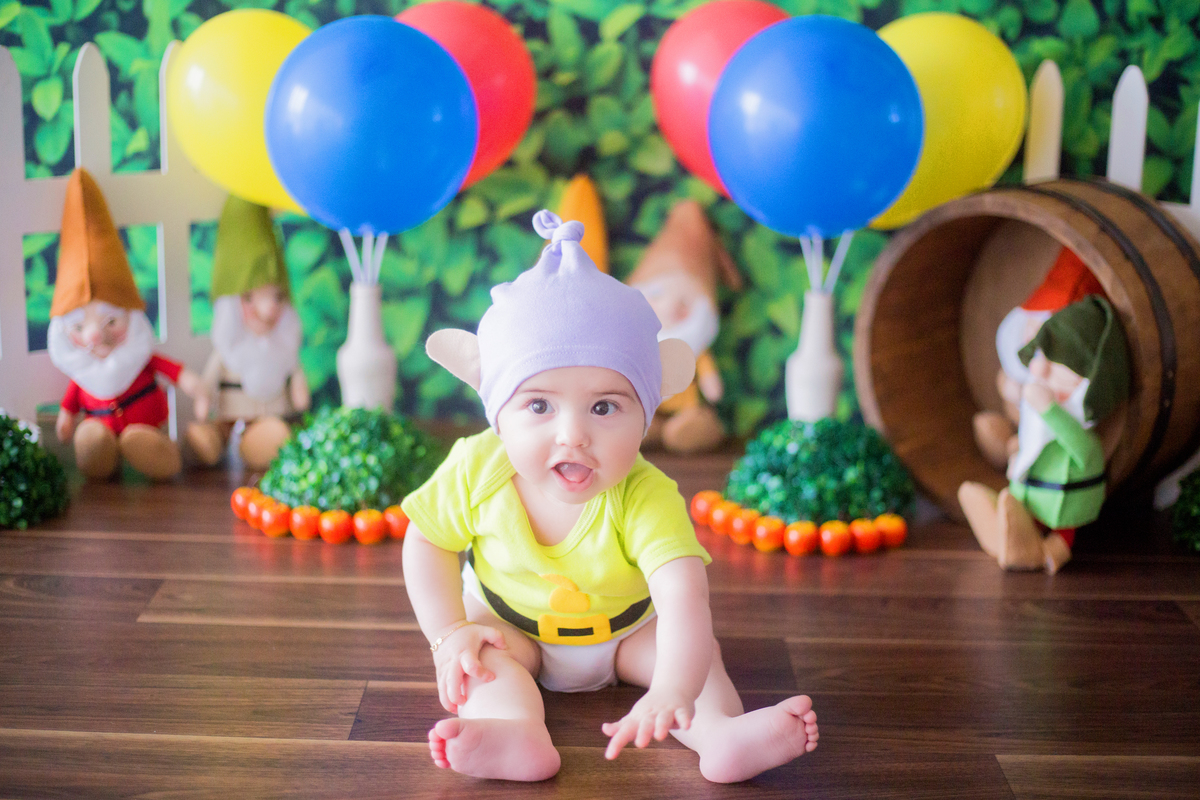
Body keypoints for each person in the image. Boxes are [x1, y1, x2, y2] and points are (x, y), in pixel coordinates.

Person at [400, 210, 818, 783]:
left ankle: (719, 734)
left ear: (645, 417)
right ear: (498, 414)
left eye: (604, 407)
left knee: (695, 658)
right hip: (512, 626)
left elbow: (683, 598)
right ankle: (514, 733)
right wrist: (449, 634)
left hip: (627, 632)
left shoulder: (644, 495)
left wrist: (672, 687)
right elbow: (427, 541)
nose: (573, 433)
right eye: (540, 405)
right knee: (481, 665)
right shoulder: (477, 467)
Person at [47, 169, 204, 480]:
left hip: (145, 426)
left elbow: (173, 371)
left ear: (129, 316)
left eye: (111, 321)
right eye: (79, 328)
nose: (95, 336)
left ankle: (154, 453)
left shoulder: (139, 355)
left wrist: (195, 387)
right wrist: (66, 418)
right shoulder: (82, 372)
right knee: (91, 439)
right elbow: (71, 401)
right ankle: (97, 454)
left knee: (142, 440)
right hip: (99, 426)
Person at [959, 295, 1130, 573]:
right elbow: (1028, 432)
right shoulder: (1037, 403)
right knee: (1010, 505)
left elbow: (1084, 451)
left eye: (1056, 364)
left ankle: (1047, 551)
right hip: (1029, 492)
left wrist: (1050, 409)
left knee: (1062, 532)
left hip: (1061, 504)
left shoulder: (1067, 418)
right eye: (1042, 356)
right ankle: (1002, 527)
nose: (1039, 369)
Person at [186, 197, 309, 471]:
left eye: (278, 297)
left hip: (272, 415)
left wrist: (300, 393)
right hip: (231, 412)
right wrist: (204, 396)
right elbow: (210, 379)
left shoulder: (285, 347)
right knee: (217, 429)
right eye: (251, 298)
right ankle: (210, 440)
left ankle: (264, 442)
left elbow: (298, 386)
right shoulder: (228, 347)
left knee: (277, 433)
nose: (270, 309)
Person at [628, 200, 742, 454]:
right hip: (648, 406)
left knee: (692, 419)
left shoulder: (692, 347)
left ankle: (693, 429)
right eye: (658, 294)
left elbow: (707, 372)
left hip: (686, 405)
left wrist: (711, 383)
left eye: (684, 303)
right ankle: (646, 427)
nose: (670, 307)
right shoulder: (637, 343)